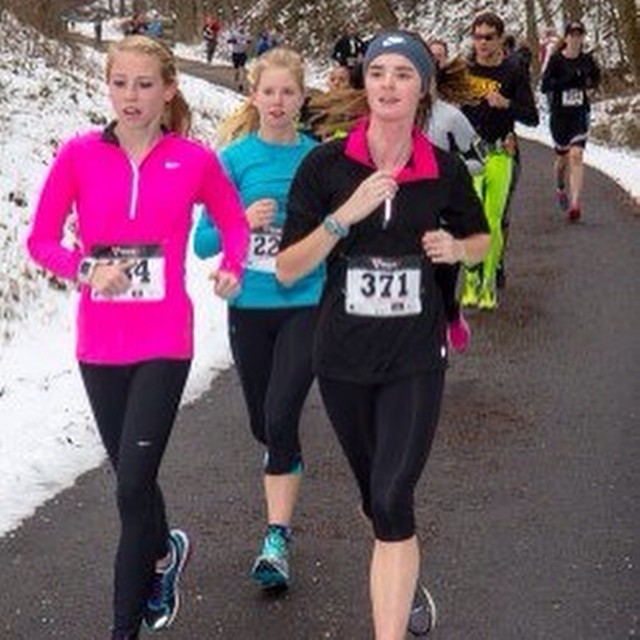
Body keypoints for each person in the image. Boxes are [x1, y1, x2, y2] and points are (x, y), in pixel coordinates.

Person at [26, 35, 249, 640]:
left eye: (145, 84)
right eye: (120, 83)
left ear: (168, 90)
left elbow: (232, 220)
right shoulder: (78, 156)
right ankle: (162, 554)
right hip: (99, 344)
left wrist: (232, 265)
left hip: (163, 341)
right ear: (108, 86)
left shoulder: (193, 160)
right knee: (134, 474)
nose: (131, 96)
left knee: (129, 486)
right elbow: (40, 240)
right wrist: (84, 268)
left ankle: (123, 629)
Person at [276, 30, 490, 639]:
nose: (389, 84)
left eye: (403, 74)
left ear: (422, 87)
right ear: (364, 83)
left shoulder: (441, 169)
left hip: (416, 356)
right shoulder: (325, 164)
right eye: (378, 73)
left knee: (395, 495)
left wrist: (457, 247)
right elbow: (290, 267)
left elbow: (480, 241)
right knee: (377, 498)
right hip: (341, 357)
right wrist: (343, 217)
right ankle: (404, 569)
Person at [193, 47, 322, 590]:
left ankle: (277, 538)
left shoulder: (317, 159)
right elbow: (203, 241)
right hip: (250, 308)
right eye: (268, 91)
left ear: (301, 98)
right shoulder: (233, 160)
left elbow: (341, 227)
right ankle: (282, 452)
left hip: (305, 303)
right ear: (254, 96)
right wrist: (240, 220)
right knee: (263, 424)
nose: (277, 101)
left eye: (287, 92)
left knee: (280, 411)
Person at [460, 11, 539, 310]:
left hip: (500, 153)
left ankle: (489, 281)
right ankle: (471, 279)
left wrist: (507, 104)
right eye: (477, 36)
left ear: (499, 39)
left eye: (488, 37)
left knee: (493, 220)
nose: (482, 43)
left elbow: (532, 116)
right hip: (469, 153)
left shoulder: (513, 71)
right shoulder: (464, 71)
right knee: (469, 219)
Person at [426, 45, 486, 353]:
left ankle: (450, 314)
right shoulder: (389, 118)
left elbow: (480, 159)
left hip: (446, 216)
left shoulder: (452, 117)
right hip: (407, 217)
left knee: (443, 286)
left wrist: (451, 169)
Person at [541, 21, 600, 222]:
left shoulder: (587, 60)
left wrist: (589, 86)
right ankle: (560, 186)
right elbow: (545, 86)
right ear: (565, 38)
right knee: (562, 159)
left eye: (579, 34)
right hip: (560, 116)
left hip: (579, 114)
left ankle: (575, 204)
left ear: (583, 37)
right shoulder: (557, 60)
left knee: (576, 154)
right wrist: (568, 82)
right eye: (572, 34)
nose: (575, 38)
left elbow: (596, 79)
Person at [227, 22, 252, 92]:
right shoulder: (234, 34)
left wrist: (247, 43)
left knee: (242, 69)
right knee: (237, 69)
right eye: (240, 27)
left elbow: (249, 41)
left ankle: (241, 84)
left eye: (243, 27)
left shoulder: (246, 34)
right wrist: (233, 41)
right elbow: (228, 40)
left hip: (242, 53)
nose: (242, 28)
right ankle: (236, 74)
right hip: (235, 53)